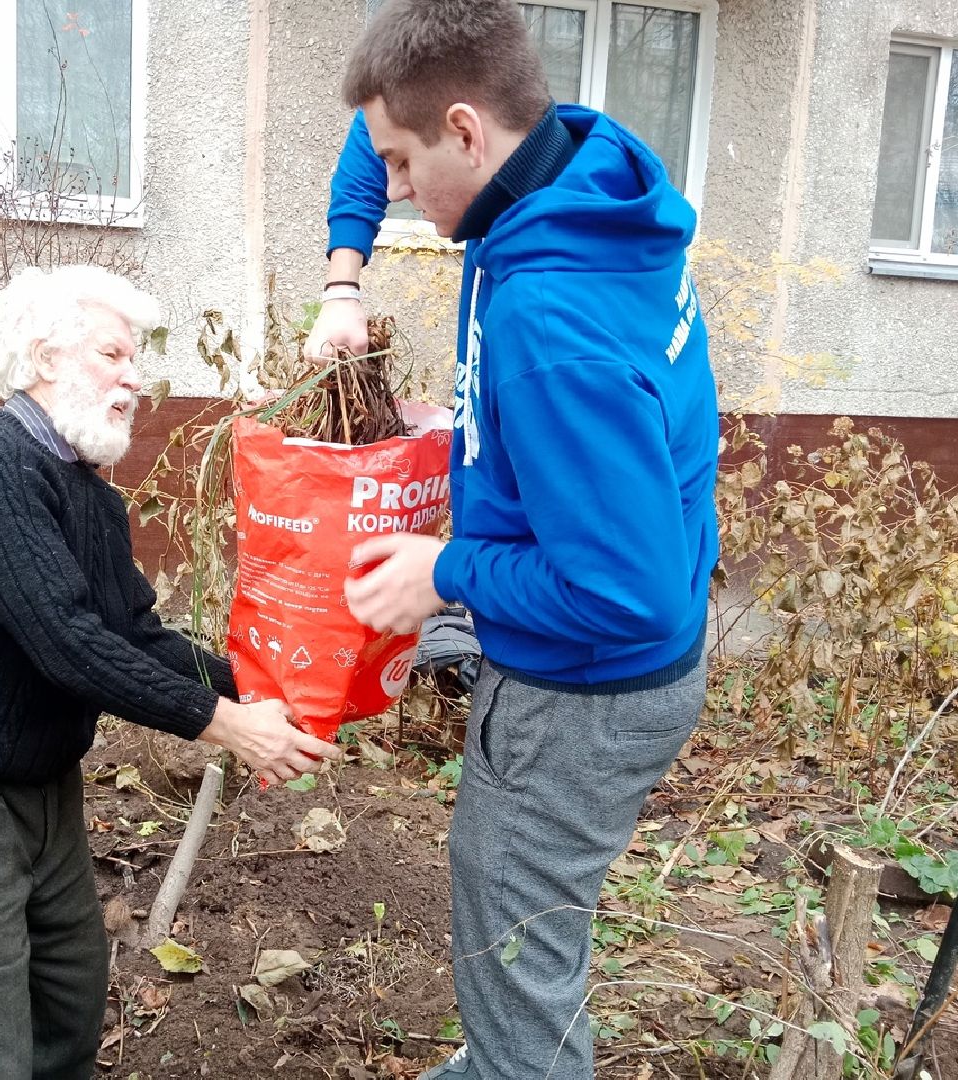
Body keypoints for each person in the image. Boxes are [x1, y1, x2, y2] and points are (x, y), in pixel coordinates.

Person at [319, 3, 720, 1078]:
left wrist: (443, 573)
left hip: (584, 694)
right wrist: (481, 437)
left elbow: (623, 591)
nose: (391, 189)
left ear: (463, 129)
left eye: (401, 162)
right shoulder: (578, 176)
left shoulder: (551, 318)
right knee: (529, 929)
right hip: (623, 669)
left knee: (509, 931)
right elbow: (601, 434)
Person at [0, 264, 341, 1080]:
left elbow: (134, 634)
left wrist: (255, 686)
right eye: (114, 354)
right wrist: (227, 727)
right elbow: (67, 641)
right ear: (45, 358)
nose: (135, 379)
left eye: (136, 358)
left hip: (43, 787)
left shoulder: (83, 489)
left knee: (68, 1004)